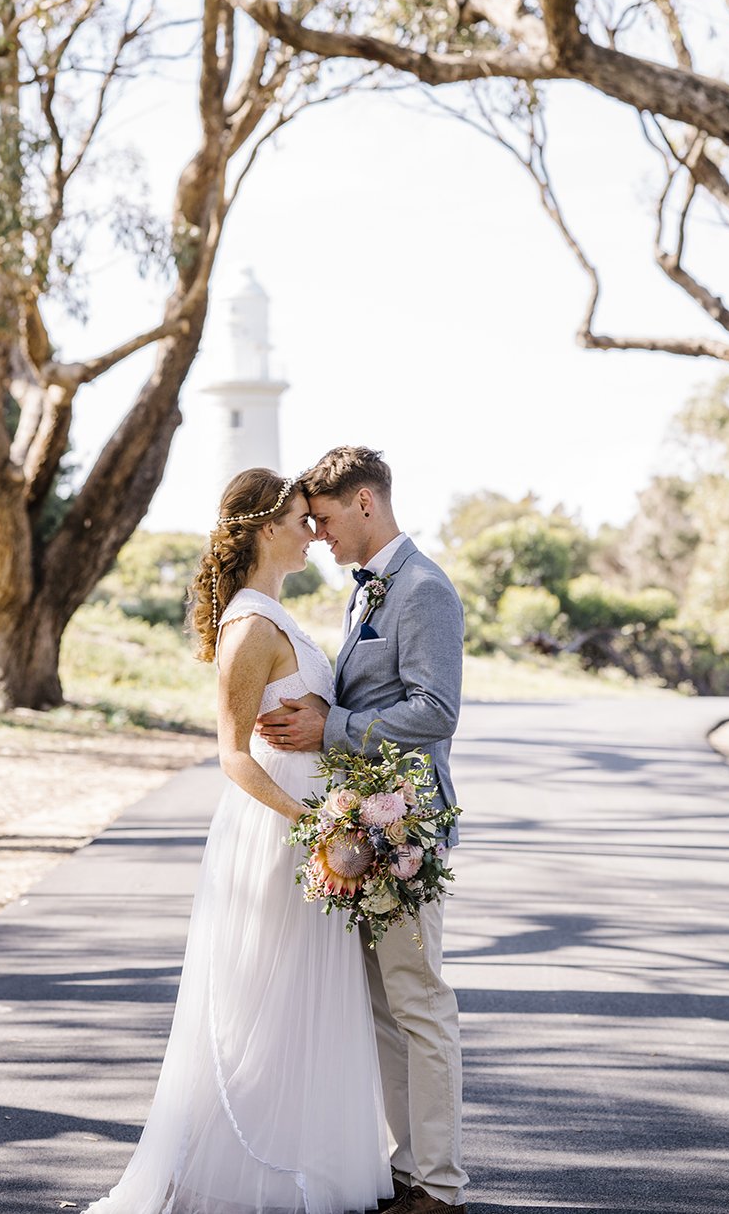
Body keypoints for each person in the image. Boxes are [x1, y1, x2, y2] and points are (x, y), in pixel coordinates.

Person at [85, 467, 392, 1214]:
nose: (314, 532)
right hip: (278, 834)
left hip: (309, 829)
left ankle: (295, 1166)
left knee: (301, 1007)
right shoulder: (251, 626)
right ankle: (240, 1176)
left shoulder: (275, 615)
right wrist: (312, 821)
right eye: (299, 519)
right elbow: (232, 755)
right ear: (262, 529)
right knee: (267, 1004)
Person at [258, 447, 468, 1214]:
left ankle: (442, 1189)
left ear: (367, 504)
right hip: (369, 832)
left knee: (419, 1004)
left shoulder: (423, 589)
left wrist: (332, 727)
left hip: (408, 826)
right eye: (308, 520)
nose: (318, 534)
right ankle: (409, 1171)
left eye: (325, 517)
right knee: (386, 1011)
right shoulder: (366, 593)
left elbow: (437, 710)